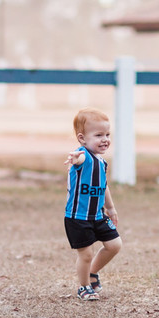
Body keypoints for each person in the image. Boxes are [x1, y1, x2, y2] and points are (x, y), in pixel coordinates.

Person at [64, 108, 122, 301]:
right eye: (98, 135)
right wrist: (75, 158)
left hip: (98, 216)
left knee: (114, 245)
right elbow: (78, 158)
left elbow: (103, 186)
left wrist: (111, 208)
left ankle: (92, 272)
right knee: (86, 254)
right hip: (78, 217)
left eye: (107, 134)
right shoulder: (83, 155)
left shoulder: (101, 162)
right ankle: (83, 287)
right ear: (82, 138)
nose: (105, 139)